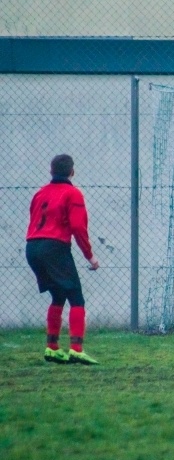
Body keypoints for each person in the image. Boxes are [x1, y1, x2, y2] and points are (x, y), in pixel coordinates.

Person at [25, 154, 100, 365]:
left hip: (32, 247)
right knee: (76, 297)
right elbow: (78, 227)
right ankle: (76, 349)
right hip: (54, 247)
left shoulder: (40, 193)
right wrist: (90, 256)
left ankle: (52, 347)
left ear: (51, 171)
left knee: (58, 295)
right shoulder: (73, 193)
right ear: (72, 172)